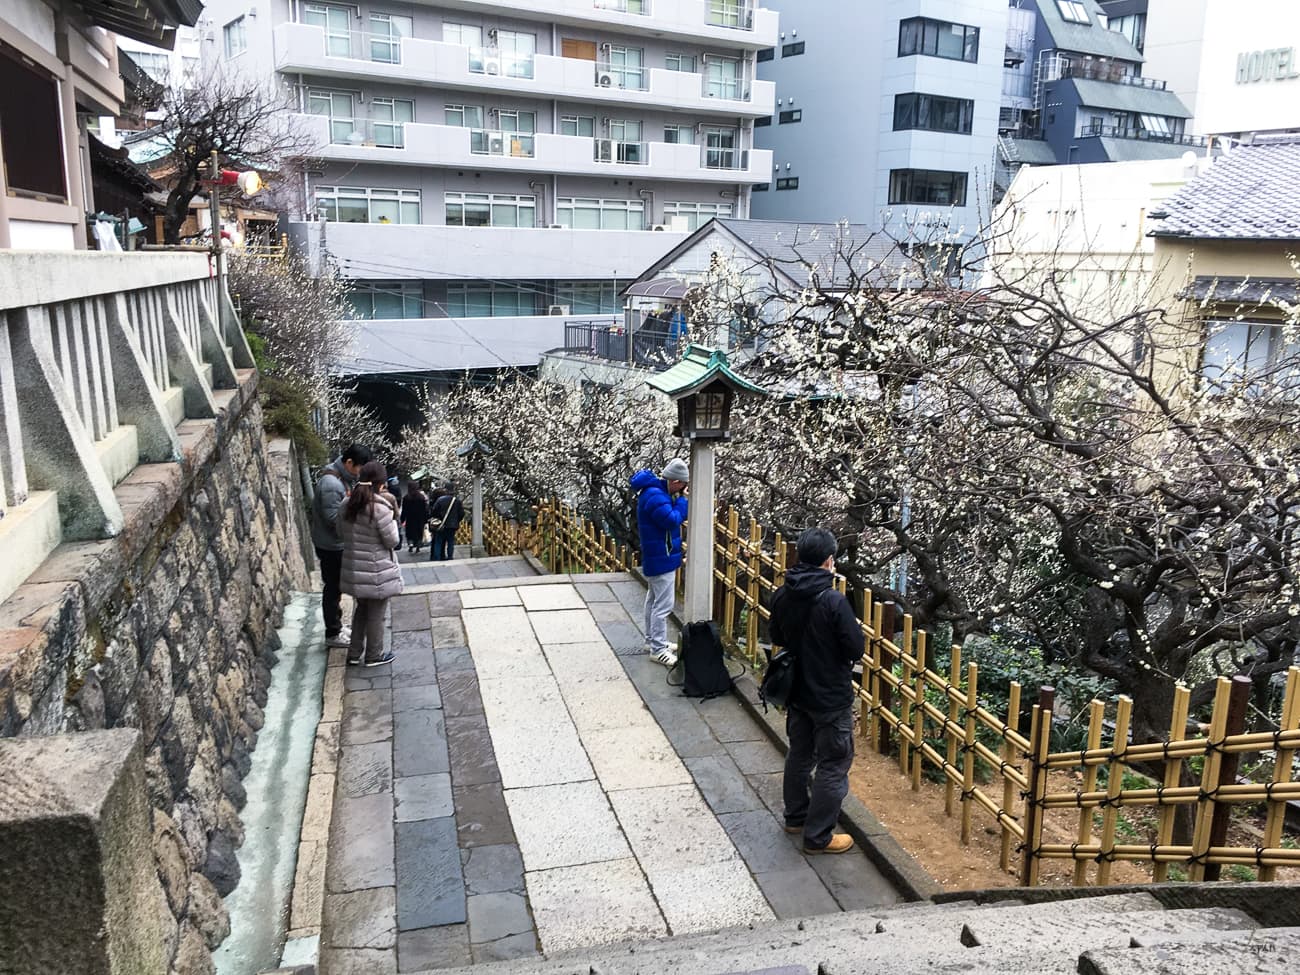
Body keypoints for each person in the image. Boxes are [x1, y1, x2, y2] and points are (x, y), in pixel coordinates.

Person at [769, 527, 861, 855]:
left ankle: (795, 817)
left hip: (797, 690)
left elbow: (775, 633)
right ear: (828, 561)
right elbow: (855, 648)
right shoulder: (832, 600)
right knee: (834, 761)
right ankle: (819, 836)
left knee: (800, 752)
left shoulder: (783, 593)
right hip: (830, 694)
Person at [337, 460, 402, 667]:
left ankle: (354, 653)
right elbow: (392, 541)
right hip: (376, 571)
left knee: (361, 611)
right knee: (376, 615)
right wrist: (393, 520)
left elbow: (339, 532)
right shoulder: (380, 509)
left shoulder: (347, 504)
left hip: (354, 569)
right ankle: (374, 655)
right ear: (381, 484)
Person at [310, 443, 372, 648]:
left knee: (336, 587)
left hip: (334, 543)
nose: (360, 473)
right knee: (332, 588)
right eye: (359, 468)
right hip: (330, 545)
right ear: (349, 462)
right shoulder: (331, 484)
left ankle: (336, 626)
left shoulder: (340, 479)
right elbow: (331, 517)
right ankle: (332, 633)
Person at [630, 458, 689, 668]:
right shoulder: (655, 496)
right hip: (661, 556)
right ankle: (658, 649)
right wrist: (683, 503)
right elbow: (671, 520)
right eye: (683, 484)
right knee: (663, 606)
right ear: (675, 481)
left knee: (653, 601)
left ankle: (652, 641)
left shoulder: (654, 492)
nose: (684, 489)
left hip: (657, 554)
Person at [429, 486, 464, 561]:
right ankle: (450, 556)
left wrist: (438, 519)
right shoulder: (457, 501)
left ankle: (437, 557)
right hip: (452, 525)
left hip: (441, 524)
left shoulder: (440, 500)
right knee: (450, 541)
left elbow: (434, 511)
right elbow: (461, 513)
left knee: (438, 541)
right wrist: (457, 520)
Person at [400, 482, 430, 554]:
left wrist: (402, 519)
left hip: (410, 518)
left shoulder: (406, 498)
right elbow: (425, 510)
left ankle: (410, 544)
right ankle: (418, 546)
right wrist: (426, 519)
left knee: (410, 533)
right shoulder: (421, 497)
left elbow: (404, 510)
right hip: (420, 518)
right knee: (419, 532)